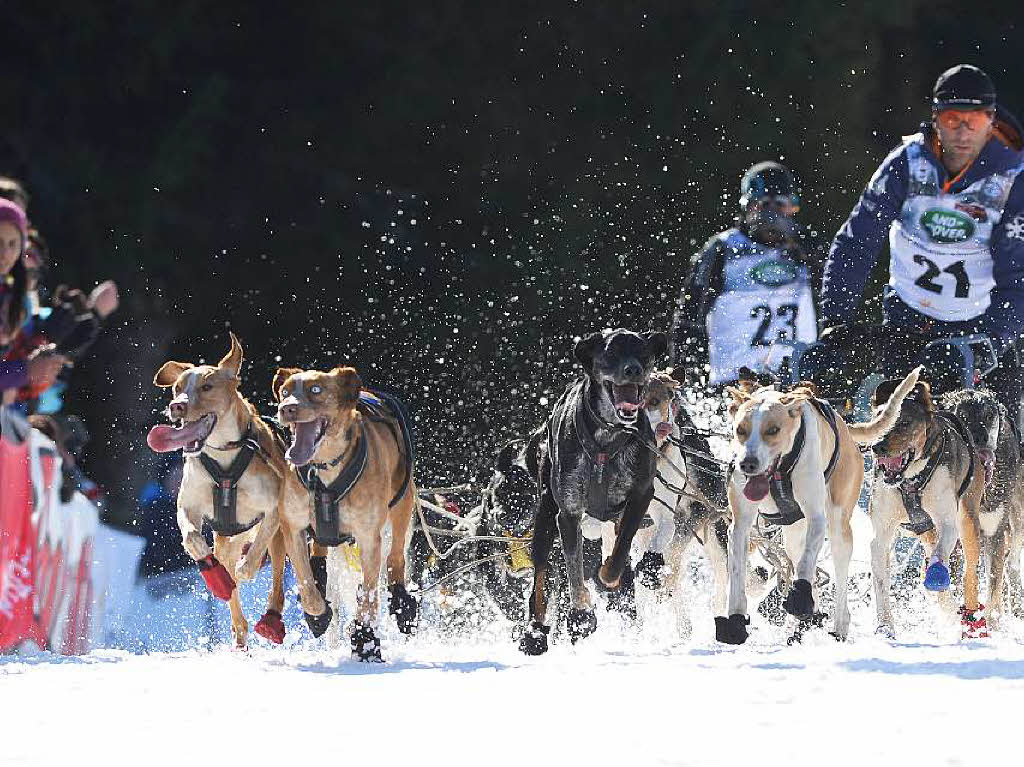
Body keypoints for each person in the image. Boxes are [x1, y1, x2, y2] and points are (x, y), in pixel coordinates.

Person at [815, 64, 1024, 425]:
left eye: (973, 120)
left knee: (995, 450)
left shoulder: (1012, 178)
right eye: (952, 118)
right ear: (936, 118)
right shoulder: (906, 164)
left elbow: (1017, 278)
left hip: (980, 327)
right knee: (899, 434)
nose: (961, 131)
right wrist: (836, 322)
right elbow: (858, 243)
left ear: (990, 121)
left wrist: (990, 342)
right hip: (908, 318)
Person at [671, 161, 823, 388]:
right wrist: (686, 374)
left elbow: (831, 307)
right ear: (748, 207)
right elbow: (689, 319)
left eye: (780, 205)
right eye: (763, 205)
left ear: (792, 208)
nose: (772, 215)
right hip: (735, 385)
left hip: (795, 386)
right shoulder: (722, 249)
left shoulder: (807, 249)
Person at [0, 198, 64, 397]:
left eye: (13, 244)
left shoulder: (12, 297)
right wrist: (26, 370)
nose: (5, 253)